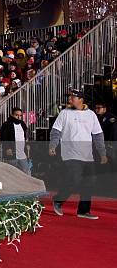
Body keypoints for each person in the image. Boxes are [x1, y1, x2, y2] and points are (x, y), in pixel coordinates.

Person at [50, 90, 107, 219]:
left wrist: (102, 153)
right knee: (74, 179)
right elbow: (56, 131)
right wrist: (53, 145)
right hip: (70, 153)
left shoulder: (91, 114)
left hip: (87, 155)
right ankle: (58, 200)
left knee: (90, 181)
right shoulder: (64, 113)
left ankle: (83, 211)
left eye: (72, 97)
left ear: (81, 99)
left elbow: (98, 135)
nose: (70, 99)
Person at [0, 107, 31, 174]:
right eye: (16, 115)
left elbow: (25, 135)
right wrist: (7, 148)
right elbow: (3, 137)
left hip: (22, 153)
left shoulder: (22, 124)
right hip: (11, 153)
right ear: (12, 115)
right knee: (11, 174)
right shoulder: (6, 124)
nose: (19, 117)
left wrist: (27, 143)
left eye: (20, 115)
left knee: (26, 171)